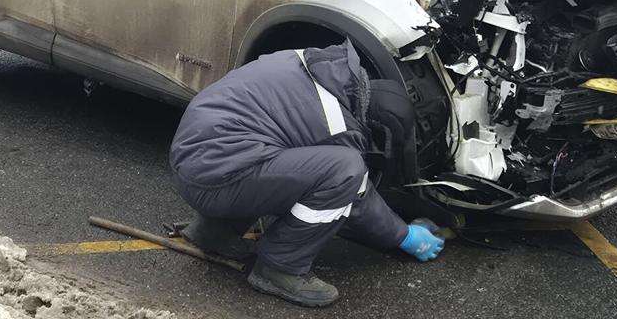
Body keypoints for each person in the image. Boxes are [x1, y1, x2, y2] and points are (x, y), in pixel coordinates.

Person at [169, 41, 445, 308]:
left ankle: (213, 232)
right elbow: (357, 195)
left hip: (192, 156)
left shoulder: (320, 65)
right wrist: (405, 236)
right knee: (344, 170)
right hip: (215, 180)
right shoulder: (337, 124)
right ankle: (280, 267)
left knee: (273, 153)